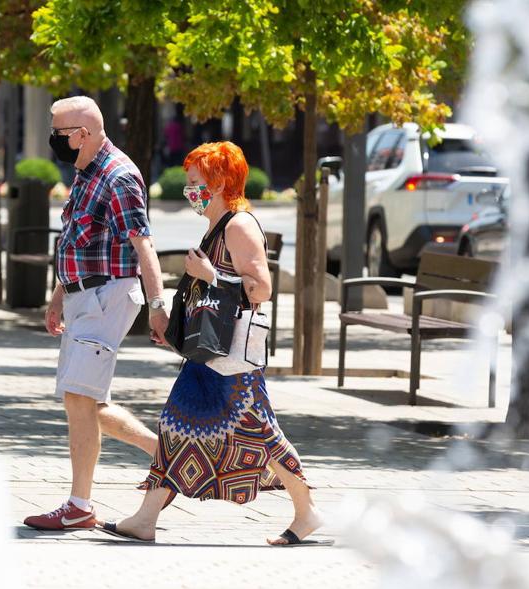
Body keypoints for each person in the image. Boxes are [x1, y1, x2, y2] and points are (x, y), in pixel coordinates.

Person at [98, 141, 326, 546]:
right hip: (211, 354)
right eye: (189, 183)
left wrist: (210, 275)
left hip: (234, 357)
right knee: (176, 425)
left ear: (220, 183)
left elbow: (262, 290)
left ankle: (306, 512)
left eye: (196, 183)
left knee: (260, 433)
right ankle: (146, 518)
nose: (190, 191)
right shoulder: (217, 225)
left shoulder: (239, 225)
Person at [24, 96, 170, 531]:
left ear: (82, 134)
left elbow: (144, 246)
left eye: (59, 132)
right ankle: (168, 454)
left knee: (79, 398)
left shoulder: (119, 176)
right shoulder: (86, 170)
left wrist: (159, 306)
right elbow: (74, 240)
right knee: (87, 401)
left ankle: (80, 504)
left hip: (107, 296)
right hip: (82, 297)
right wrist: (58, 295)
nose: (54, 140)